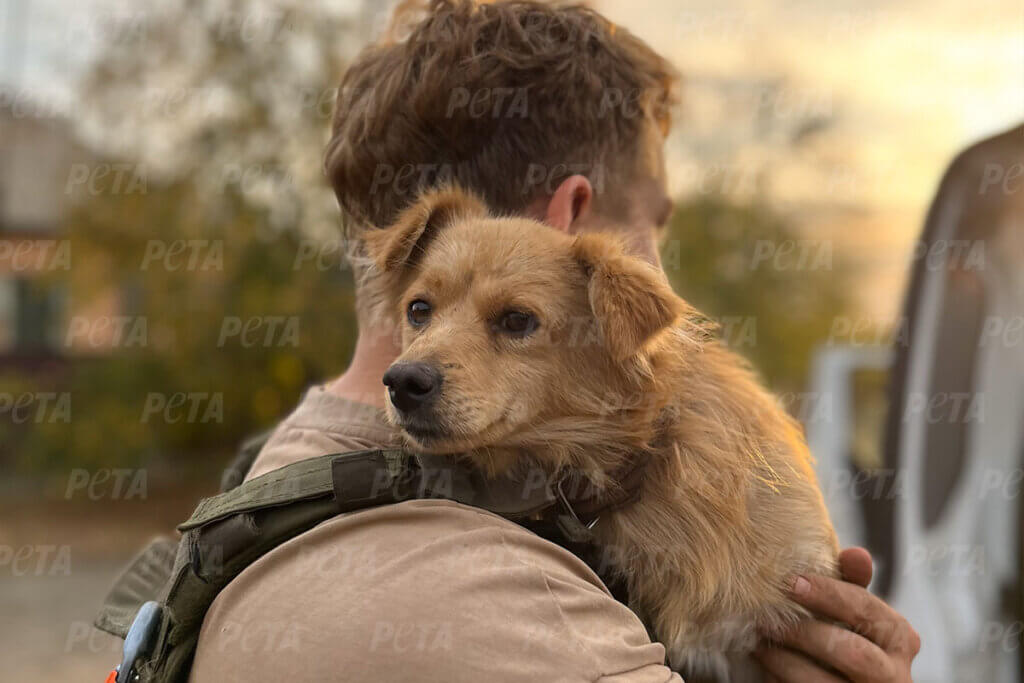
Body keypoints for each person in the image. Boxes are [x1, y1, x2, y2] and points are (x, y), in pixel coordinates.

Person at [190, 1, 920, 681]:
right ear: (572, 219)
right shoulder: (522, 613)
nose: (658, 273)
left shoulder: (273, 484)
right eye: (652, 229)